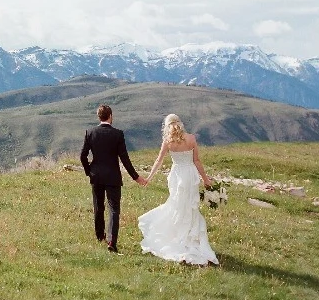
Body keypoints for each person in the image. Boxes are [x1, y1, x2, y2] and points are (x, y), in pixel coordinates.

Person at [138, 113, 219, 266]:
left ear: (167, 126)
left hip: (177, 176)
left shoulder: (168, 141)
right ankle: (190, 239)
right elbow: (196, 161)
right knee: (190, 207)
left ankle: (177, 237)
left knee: (177, 206)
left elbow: (159, 160)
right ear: (180, 123)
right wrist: (206, 179)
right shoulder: (191, 139)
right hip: (190, 176)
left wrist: (149, 178)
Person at [80, 104, 147, 252]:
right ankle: (112, 242)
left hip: (96, 175)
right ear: (110, 116)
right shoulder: (118, 134)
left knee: (98, 207)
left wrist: (88, 171)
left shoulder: (90, 132)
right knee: (114, 209)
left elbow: (83, 156)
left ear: (99, 116)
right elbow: (125, 159)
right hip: (113, 177)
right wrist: (136, 177)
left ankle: (99, 236)